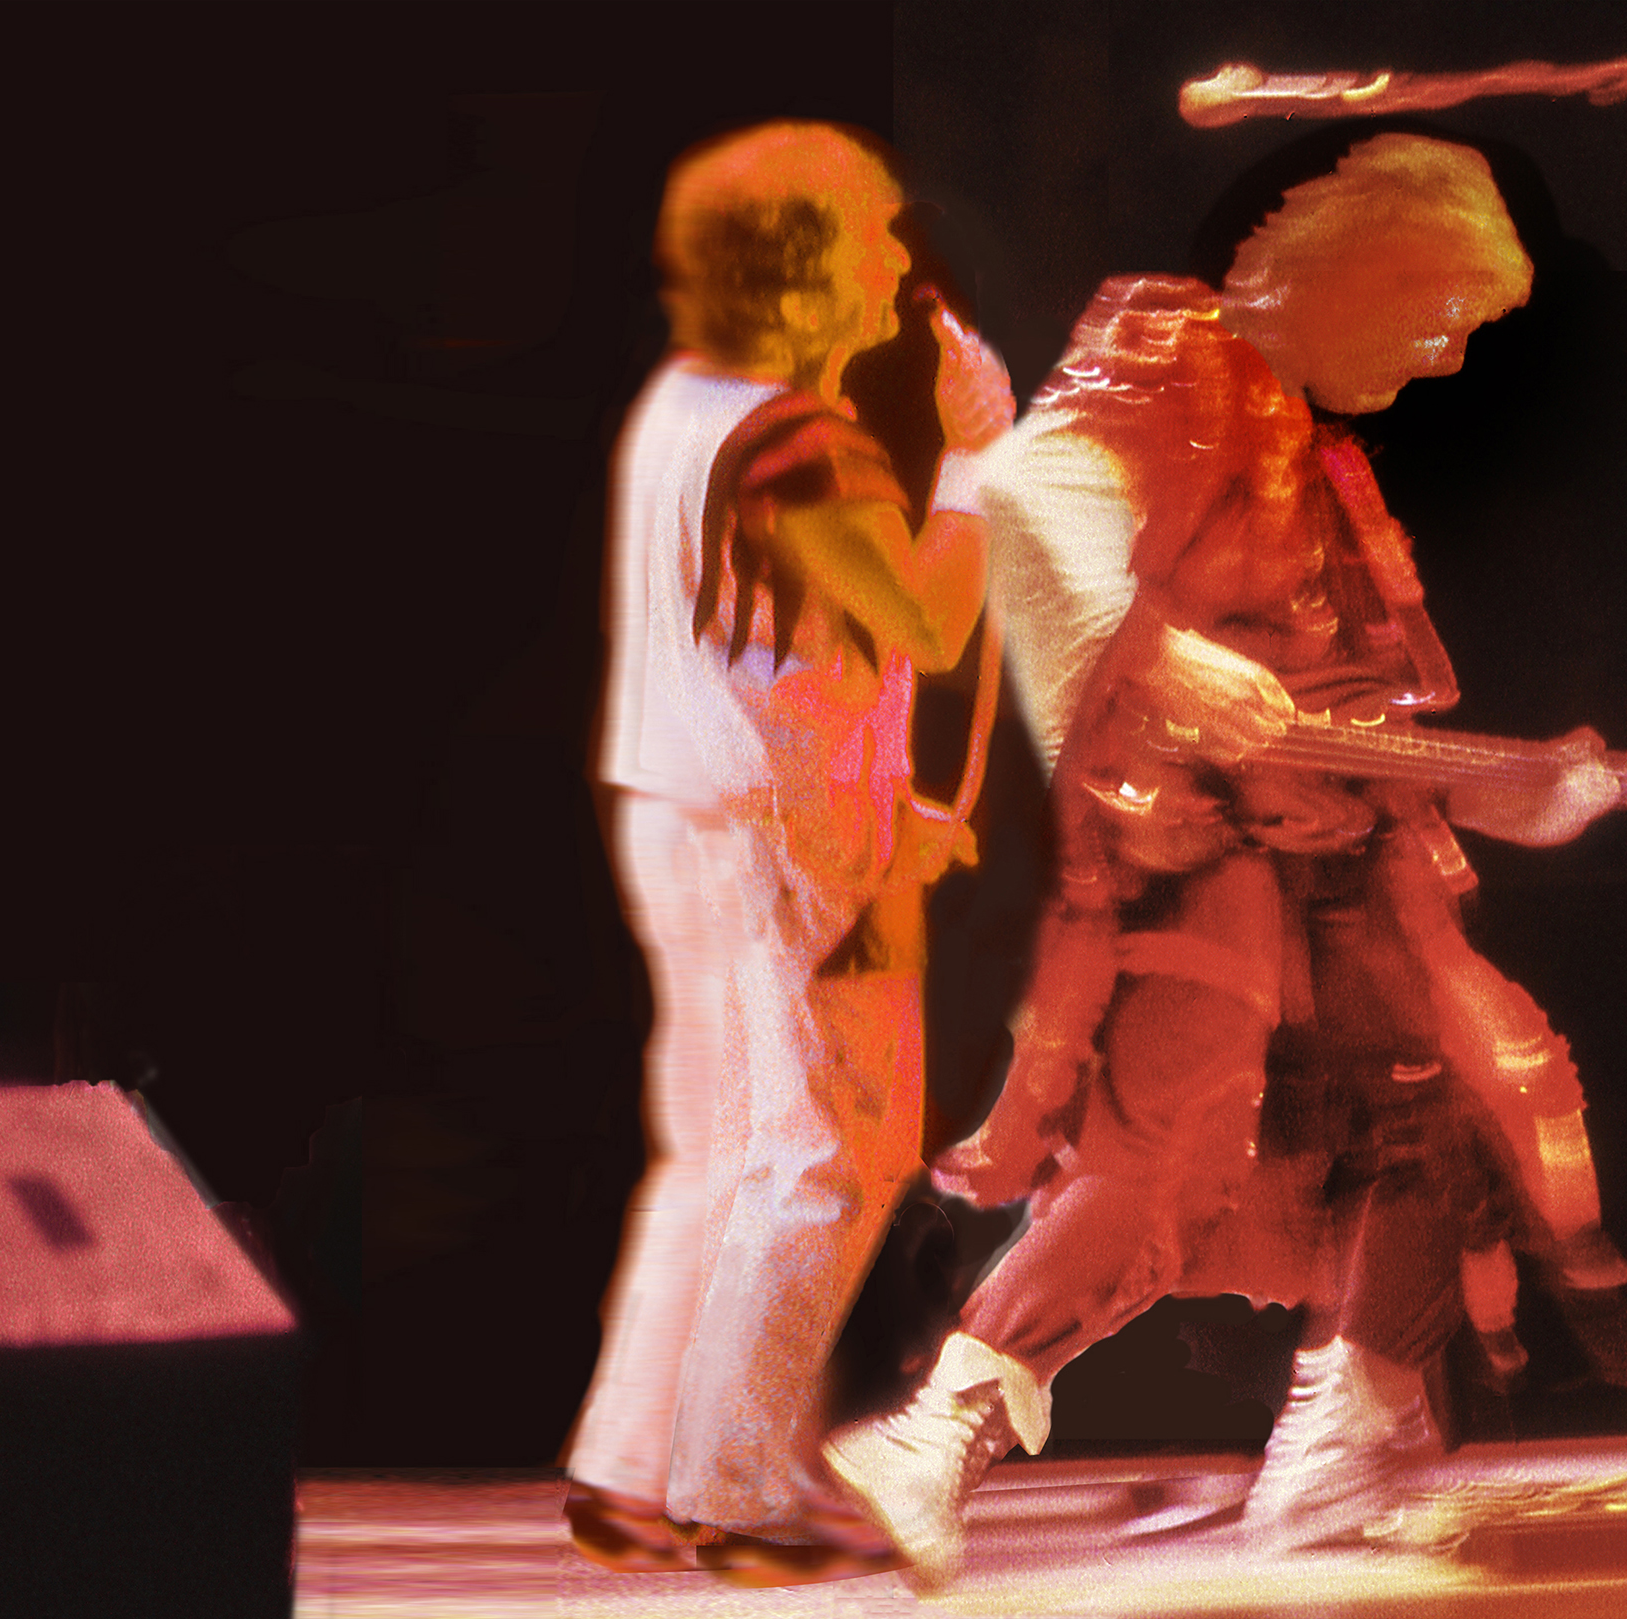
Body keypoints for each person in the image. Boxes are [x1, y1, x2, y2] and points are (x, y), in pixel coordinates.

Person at [825, 129, 1627, 1586]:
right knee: (1165, 1148)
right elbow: (1036, 497)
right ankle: (942, 1430)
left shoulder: (1319, 454)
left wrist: (1531, 794)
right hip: (1183, 852)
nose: (1443, 355)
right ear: (1354, 268)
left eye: (1466, 333)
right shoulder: (1189, 353)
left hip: (1338, 867)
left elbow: (1360, 729)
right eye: (1433, 315)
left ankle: (1345, 1439)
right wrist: (1148, 653)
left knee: (1441, 1119)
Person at [561, 120, 1015, 1585]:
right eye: (877, 234)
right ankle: (739, 1490)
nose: (899, 259)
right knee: (828, 1152)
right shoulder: (797, 439)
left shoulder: (682, 408)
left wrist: (893, 790)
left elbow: (768, 646)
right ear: (810, 262)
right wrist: (976, 468)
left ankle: (630, 1471)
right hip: (782, 836)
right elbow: (925, 620)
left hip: (682, 809)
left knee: (715, 1149)